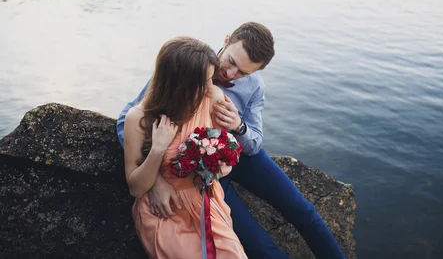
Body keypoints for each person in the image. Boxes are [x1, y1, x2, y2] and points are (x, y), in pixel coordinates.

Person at [117, 22, 346, 259]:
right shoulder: (186, 66)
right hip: (201, 170)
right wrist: (155, 179)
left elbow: (254, 142)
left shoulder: (255, 85)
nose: (230, 74)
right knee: (257, 243)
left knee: (304, 212)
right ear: (226, 40)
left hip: (242, 156)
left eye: (243, 73)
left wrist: (239, 125)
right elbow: (127, 121)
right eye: (232, 63)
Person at [123, 36, 246, 259]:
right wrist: (158, 148)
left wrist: (218, 167)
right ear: (180, 83)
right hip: (164, 208)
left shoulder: (212, 99)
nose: (211, 86)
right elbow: (136, 188)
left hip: (205, 202)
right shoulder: (138, 118)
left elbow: (225, 161)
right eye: (204, 81)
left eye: (211, 79)